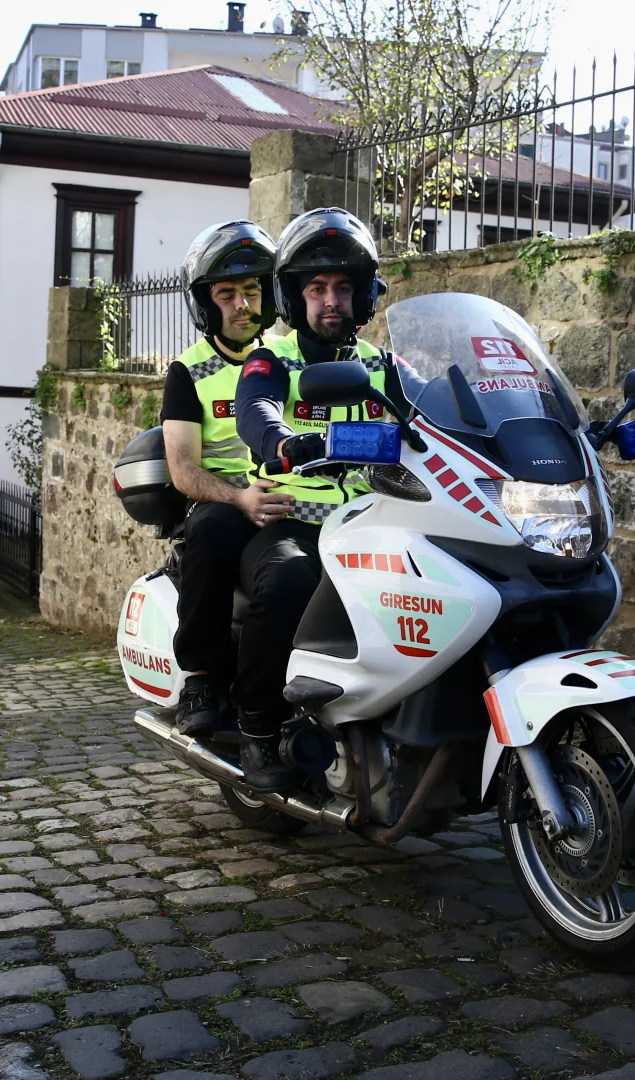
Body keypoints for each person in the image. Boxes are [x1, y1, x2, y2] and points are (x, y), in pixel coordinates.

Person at [232, 207, 394, 793]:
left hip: (379, 520)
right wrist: (280, 440)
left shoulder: (384, 366)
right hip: (294, 522)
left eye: (344, 288)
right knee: (292, 579)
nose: (332, 300)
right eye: (318, 288)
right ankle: (256, 728)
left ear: (364, 296)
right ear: (295, 297)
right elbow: (255, 409)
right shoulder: (273, 360)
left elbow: (439, 414)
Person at [160, 221, 296, 738]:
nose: (242, 305)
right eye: (227, 295)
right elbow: (183, 469)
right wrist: (239, 497)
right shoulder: (188, 371)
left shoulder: (290, 356)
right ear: (204, 304)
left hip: (292, 495)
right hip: (225, 499)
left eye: (252, 291)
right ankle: (200, 678)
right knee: (213, 532)